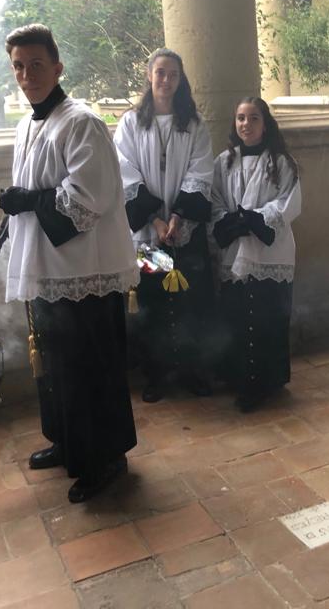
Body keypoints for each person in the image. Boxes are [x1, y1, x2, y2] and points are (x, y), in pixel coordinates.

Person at [0, 24, 138, 503]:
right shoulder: (29, 124)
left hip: (84, 270)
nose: (27, 75)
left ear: (58, 67)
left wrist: (28, 200)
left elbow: (88, 202)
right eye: (19, 67)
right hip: (45, 270)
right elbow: (26, 196)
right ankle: (68, 442)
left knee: (92, 366)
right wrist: (1, 232)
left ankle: (105, 456)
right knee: (57, 366)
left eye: (37, 65)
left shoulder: (79, 121)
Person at [113, 49, 215, 403]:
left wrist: (177, 218)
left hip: (182, 233)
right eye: (160, 73)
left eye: (173, 74)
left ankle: (190, 370)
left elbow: (201, 171)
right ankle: (156, 374)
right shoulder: (130, 123)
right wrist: (155, 219)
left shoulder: (194, 124)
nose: (166, 80)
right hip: (147, 235)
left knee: (190, 301)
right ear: (149, 76)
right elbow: (125, 173)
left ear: (180, 78)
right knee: (153, 302)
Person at [211, 97, 301, 412]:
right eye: (240, 118)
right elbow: (216, 200)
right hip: (236, 248)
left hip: (269, 250)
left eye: (253, 118)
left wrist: (254, 218)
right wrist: (233, 221)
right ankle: (240, 377)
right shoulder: (223, 162)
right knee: (237, 318)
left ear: (266, 124)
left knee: (268, 319)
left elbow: (288, 202)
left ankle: (267, 380)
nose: (246, 124)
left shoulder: (281, 162)